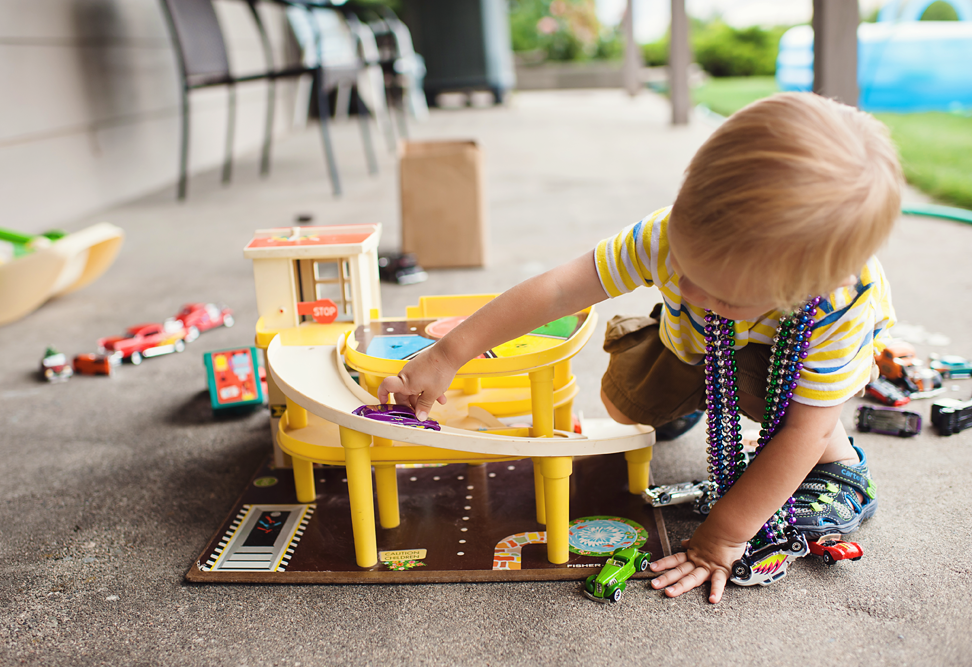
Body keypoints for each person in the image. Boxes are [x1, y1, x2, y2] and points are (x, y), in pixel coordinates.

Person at [377, 92, 902, 604]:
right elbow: (560, 290)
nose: (694, 292)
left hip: (780, 364)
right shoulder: (667, 235)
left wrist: (722, 537)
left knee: (799, 419)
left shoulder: (838, 304)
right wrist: (448, 354)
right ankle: (691, 397)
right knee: (625, 408)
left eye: (721, 294)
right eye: (686, 270)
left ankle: (843, 467)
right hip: (692, 342)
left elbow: (801, 429)